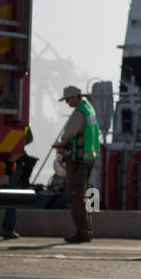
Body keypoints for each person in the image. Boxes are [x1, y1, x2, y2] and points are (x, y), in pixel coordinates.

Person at [55, 85, 100, 244]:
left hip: (78, 160)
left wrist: (62, 144)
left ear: (75, 97)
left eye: (67, 99)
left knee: (75, 197)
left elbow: (69, 133)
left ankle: (82, 233)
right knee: (84, 195)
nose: (67, 103)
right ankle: (87, 230)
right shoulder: (90, 109)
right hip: (89, 158)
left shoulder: (80, 112)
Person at [0, 126, 35, 240]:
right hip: (14, 161)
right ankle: (8, 230)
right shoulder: (23, 123)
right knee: (12, 199)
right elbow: (30, 138)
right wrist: (18, 145)